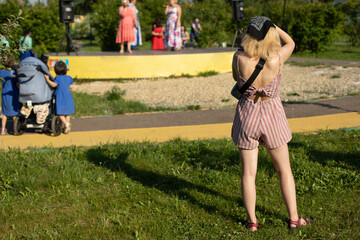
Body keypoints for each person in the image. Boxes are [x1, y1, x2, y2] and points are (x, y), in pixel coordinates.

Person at [231, 16, 312, 231]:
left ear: (248, 34)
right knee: (284, 170)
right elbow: (291, 43)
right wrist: (275, 27)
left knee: (248, 173)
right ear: (270, 34)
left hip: (247, 113)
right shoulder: (277, 58)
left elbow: (235, 79)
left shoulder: (238, 57)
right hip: (272, 115)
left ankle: (252, 222)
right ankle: (294, 219)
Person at [44, 61, 74, 134]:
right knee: (67, 113)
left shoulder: (57, 78)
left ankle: (67, 124)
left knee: (60, 114)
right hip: (68, 97)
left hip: (60, 97)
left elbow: (54, 85)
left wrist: (47, 80)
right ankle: (66, 127)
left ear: (56, 70)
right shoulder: (69, 77)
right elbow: (71, 86)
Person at [0, 55, 20, 135]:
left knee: (4, 112)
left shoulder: (1, 72)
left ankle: (3, 129)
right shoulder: (13, 72)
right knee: (15, 112)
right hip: (13, 92)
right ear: (12, 62)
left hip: (4, 92)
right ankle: (15, 129)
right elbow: (17, 83)